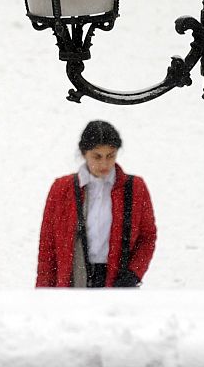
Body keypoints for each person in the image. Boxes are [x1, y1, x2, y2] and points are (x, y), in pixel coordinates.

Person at [36, 120, 157, 288]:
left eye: (111, 156)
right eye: (97, 156)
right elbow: (48, 245)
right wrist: (43, 292)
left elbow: (147, 237)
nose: (104, 164)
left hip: (117, 281)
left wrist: (134, 273)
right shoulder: (61, 188)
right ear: (84, 153)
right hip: (71, 281)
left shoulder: (135, 188)